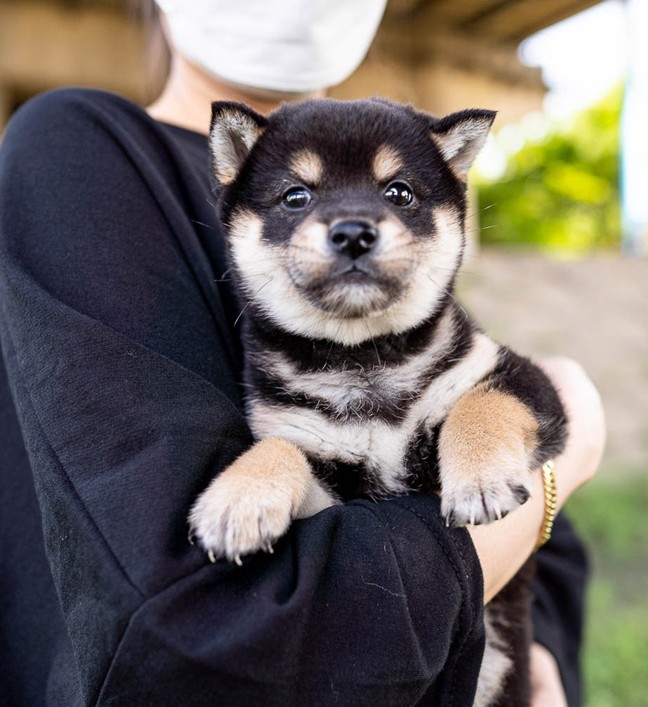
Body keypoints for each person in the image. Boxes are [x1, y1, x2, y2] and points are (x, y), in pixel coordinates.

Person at [0, 1, 605, 705]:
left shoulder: (410, 299)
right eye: (294, 197)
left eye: (398, 193)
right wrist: (568, 459)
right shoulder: (82, 150)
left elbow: (540, 541)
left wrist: (539, 650)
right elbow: (196, 630)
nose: (353, 225)